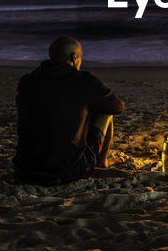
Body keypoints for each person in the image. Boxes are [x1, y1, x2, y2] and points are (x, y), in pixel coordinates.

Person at [14, 36, 126, 184]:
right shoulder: (84, 80)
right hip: (67, 173)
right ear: (74, 57)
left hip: (24, 172)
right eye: (80, 57)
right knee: (105, 111)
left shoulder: (27, 81)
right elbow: (118, 107)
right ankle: (101, 162)